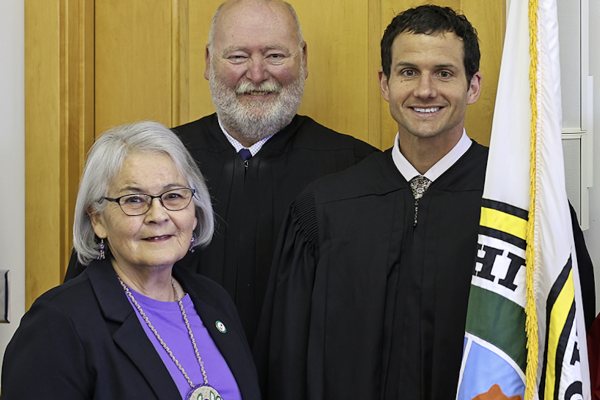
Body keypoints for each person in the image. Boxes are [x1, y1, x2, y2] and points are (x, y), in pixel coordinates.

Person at [254, 5, 595, 400]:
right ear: (385, 84)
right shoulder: (323, 210)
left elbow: (566, 346)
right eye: (408, 72)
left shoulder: (522, 210)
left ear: (474, 86)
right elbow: (287, 363)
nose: (425, 90)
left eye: (444, 73)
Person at [64, 0, 378, 346]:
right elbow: (84, 305)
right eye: (238, 56)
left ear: (303, 59)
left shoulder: (357, 170)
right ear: (208, 61)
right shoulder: (151, 165)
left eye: (275, 55)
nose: (257, 74)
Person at [2, 122, 261, 400]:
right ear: (98, 219)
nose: (158, 215)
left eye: (173, 196)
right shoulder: (57, 324)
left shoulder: (214, 300)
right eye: (134, 200)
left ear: (195, 212)